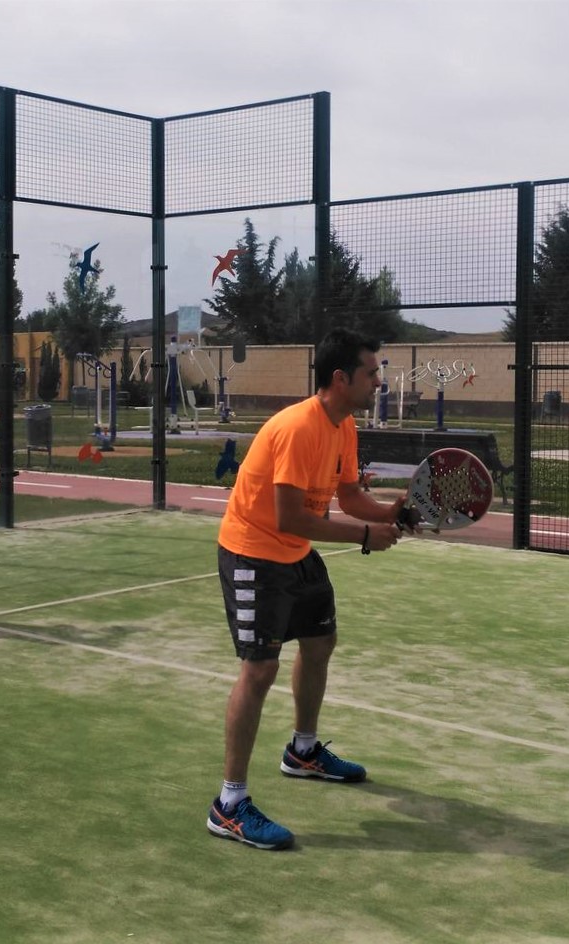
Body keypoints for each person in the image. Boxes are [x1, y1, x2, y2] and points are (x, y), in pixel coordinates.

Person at [207, 328, 415, 850]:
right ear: (341, 378)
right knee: (260, 670)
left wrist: (389, 513)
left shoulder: (343, 425)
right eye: (371, 373)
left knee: (320, 642)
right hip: (254, 552)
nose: (379, 382)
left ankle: (302, 752)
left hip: (294, 553)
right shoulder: (299, 427)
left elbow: (347, 496)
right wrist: (365, 536)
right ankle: (229, 805)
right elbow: (290, 517)